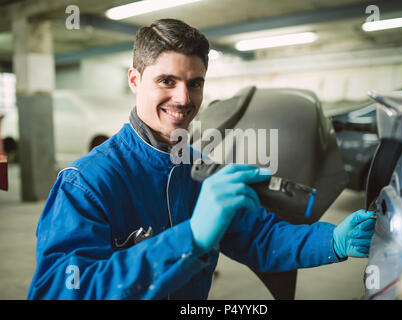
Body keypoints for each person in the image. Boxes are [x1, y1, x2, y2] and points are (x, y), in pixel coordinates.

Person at [27, 19, 376, 300]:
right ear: (135, 80)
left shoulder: (201, 169)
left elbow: (259, 237)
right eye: (167, 81)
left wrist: (332, 240)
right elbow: (60, 290)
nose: (183, 98)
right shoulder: (85, 183)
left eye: (195, 83)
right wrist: (189, 239)